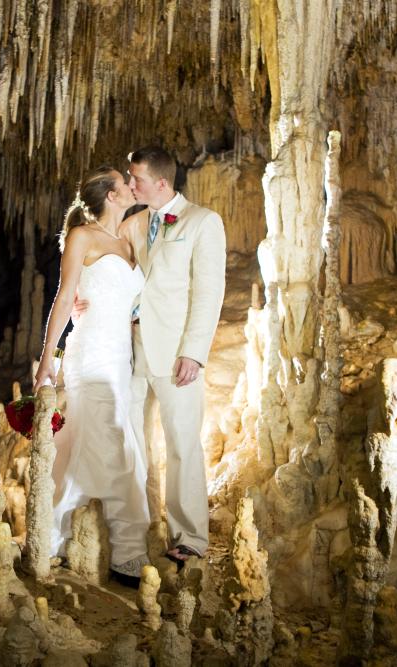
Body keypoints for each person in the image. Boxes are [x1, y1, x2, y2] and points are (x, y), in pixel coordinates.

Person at [34, 166, 151, 578]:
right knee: (109, 441)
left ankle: (58, 535)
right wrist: (48, 357)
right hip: (91, 351)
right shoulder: (83, 236)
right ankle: (126, 553)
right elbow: (65, 297)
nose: (132, 187)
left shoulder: (128, 239)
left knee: (93, 441)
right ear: (111, 196)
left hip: (121, 356)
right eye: (125, 183)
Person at [122, 146, 226, 565]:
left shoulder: (202, 222)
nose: (130, 185)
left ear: (161, 183)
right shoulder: (135, 223)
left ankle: (190, 537)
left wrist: (194, 352)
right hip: (131, 349)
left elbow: (208, 292)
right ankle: (136, 526)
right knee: (132, 438)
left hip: (175, 351)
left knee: (181, 441)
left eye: (137, 180)